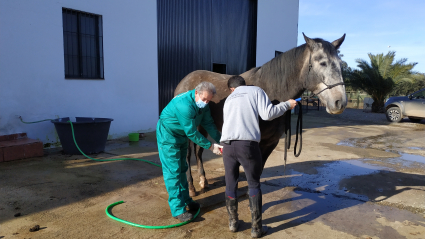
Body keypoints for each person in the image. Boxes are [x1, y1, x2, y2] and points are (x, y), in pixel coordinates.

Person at [220, 76, 296, 238]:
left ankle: (233, 223)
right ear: (243, 85)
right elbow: (268, 114)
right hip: (246, 145)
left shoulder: (229, 99)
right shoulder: (255, 91)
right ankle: (256, 228)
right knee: (253, 184)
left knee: (230, 184)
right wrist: (287, 105)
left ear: (231, 89)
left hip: (227, 146)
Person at [156, 82, 223, 222]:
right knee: (173, 171)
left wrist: (222, 142)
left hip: (181, 136)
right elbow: (192, 133)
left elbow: (209, 124)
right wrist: (211, 147)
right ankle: (177, 210)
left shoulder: (203, 104)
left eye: (208, 100)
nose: (205, 103)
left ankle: (186, 200)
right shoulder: (184, 105)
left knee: (183, 168)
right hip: (168, 136)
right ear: (196, 93)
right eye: (204, 99)